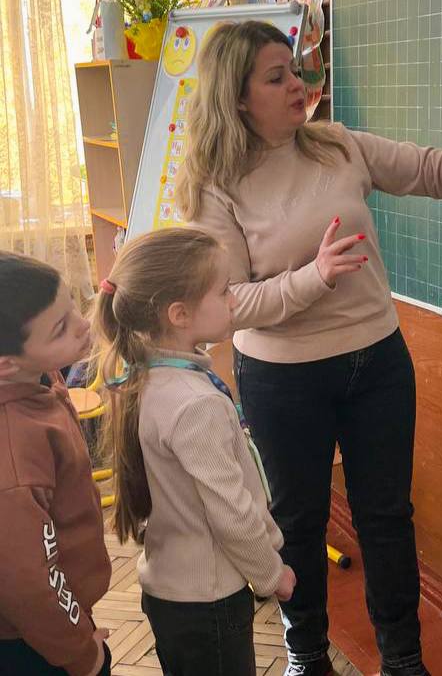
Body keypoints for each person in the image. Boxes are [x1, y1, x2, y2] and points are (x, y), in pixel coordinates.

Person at [175, 20, 442, 676]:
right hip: (283, 379)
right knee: (298, 522)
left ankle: (403, 660)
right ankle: (307, 656)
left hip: (377, 363)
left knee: (387, 517)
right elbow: (225, 306)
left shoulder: (336, 144)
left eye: (296, 71)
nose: (297, 85)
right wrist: (312, 278)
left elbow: (428, 168)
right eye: (276, 78)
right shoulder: (217, 186)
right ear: (237, 97)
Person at [94, 228, 296, 675]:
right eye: (223, 291)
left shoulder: (149, 376)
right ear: (180, 314)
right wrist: (271, 574)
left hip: (174, 591)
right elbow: (230, 511)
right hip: (209, 601)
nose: (234, 300)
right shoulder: (195, 403)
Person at [0, 252, 111, 676]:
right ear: (6, 364)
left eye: (72, 306)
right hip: (33, 643)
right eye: (60, 327)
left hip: (54, 623)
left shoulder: (38, 375)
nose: (83, 325)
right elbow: (30, 583)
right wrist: (81, 652)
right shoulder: (14, 449)